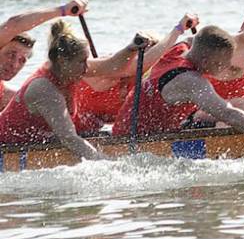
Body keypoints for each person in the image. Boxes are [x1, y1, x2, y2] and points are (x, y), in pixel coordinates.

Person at [111, 23, 244, 147]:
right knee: (231, 111)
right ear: (204, 58)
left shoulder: (181, 49)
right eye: (222, 62)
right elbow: (227, 114)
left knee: (239, 103)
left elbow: (207, 37)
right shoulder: (190, 81)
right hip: (135, 140)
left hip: (169, 128)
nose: (227, 66)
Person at [0, 20, 154, 159]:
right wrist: (108, 165)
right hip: (6, 146)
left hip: (36, 141)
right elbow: (70, 139)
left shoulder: (69, 67)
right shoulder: (44, 89)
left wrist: (131, 48)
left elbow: (112, 65)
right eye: (82, 62)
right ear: (62, 60)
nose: (87, 67)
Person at [74, 13, 200, 133]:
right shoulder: (121, 66)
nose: (154, 64)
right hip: (72, 115)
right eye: (149, 53)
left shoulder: (148, 85)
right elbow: (144, 61)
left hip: (94, 125)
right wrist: (178, 29)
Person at [0, 0, 89, 109]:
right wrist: (63, 10)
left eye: (22, 60)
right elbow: (14, 24)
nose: (14, 65)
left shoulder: (8, 96)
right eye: (11, 55)